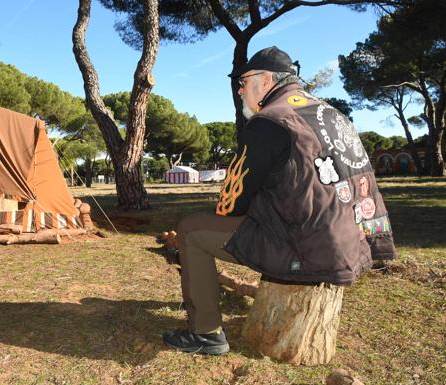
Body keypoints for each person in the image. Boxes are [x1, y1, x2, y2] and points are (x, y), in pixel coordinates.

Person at [162, 46, 397, 355]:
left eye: (243, 82)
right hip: (360, 239)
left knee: (192, 230)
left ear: (265, 80)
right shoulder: (332, 114)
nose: (240, 90)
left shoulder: (269, 121)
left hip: (310, 248)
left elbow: (231, 203)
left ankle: (205, 334)